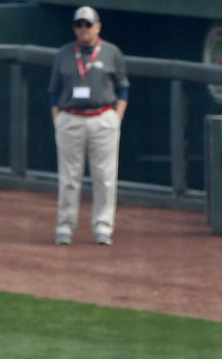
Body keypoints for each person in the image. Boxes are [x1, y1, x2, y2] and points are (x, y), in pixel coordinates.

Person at [48, 5, 128, 246]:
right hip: (70, 118)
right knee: (69, 178)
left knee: (104, 178)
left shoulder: (112, 52)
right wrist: (58, 120)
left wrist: (116, 118)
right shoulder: (63, 54)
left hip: (102, 118)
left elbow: (123, 88)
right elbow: (54, 91)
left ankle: (103, 228)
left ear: (98, 27)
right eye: (79, 25)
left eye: (88, 24)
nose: (83, 29)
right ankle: (65, 228)